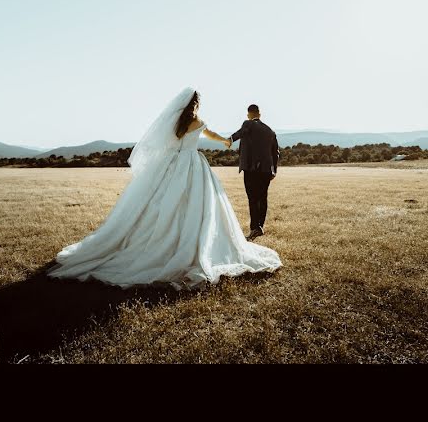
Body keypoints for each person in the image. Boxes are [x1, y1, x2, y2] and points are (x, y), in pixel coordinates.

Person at [46, 87, 282, 290]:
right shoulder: (198, 122)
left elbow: (161, 142)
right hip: (192, 163)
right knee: (200, 205)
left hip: (171, 164)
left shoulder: (174, 122)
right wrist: (225, 141)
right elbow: (209, 135)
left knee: (163, 202)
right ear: (196, 103)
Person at [227, 104, 279, 241]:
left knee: (252, 198)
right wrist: (274, 170)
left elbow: (241, 132)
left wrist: (230, 139)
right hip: (267, 170)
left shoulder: (248, 124)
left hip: (252, 169)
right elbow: (276, 153)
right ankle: (260, 226)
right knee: (263, 198)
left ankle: (254, 228)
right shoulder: (270, 131)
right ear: (260, 114)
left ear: (249, 114)